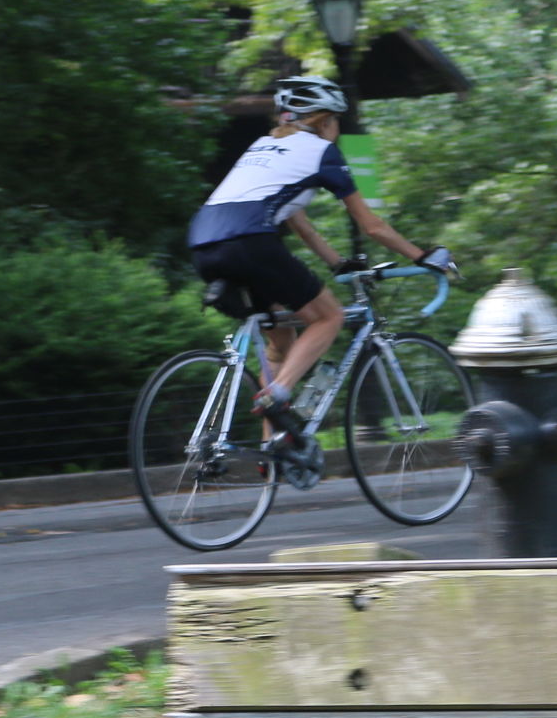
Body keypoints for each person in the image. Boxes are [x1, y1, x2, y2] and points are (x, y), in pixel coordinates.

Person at [187, 77, 456, 471]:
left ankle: (273, 450)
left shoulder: (262, 148)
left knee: (281, 341)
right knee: (328, 316)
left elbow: (299, 221)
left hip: (202, 243)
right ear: (325, 121)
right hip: (249, 242)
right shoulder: (322, 152)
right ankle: (276, 396)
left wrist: (336, 263)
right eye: (337, 123)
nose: (338, 131)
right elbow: (373, 227)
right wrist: (424, 256)